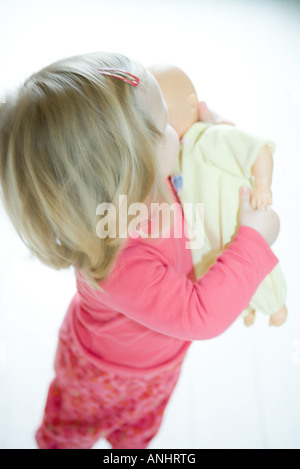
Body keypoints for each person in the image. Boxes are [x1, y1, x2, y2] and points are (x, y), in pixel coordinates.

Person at [0, 51, 280, 449]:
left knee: (136, 433)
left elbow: (180, 172)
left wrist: (209, 140)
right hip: (100, 376)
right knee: (70, 434)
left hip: (158, 366)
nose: (176, 130)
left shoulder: (140, 186)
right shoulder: (121, 261)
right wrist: (252, 240)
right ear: (132, 168)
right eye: (165, 124)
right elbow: (201, 315)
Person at [150, 64, 287, 328]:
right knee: (216, 269)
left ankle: (275, 303)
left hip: (231, 216)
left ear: (192, 105)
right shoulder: (176, 153)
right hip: (203, 229)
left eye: (165, 120)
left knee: (252, 261)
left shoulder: (209, 137)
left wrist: (263, 186)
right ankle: (244, 308)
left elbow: (258, 149)